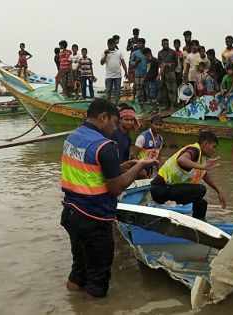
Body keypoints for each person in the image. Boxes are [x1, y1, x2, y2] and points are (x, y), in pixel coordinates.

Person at [61, 98, 157, 298]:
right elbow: (116, 187)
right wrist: (139, 166)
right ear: (103, 117)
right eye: (114, 122)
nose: (115, 128)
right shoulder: (105, 146)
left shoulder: (73, 137)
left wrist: (120, 167)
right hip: (94, 220)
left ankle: (73, 305)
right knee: (97, 280)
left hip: (71, 213)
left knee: (78, 271)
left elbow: (89, 171)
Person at [150, 131, 226, 220]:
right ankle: (172, 204)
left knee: (202, 203)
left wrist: (218, 191)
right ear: (205, 144)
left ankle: (197, 224)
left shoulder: (201, 157)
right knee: (201, 190)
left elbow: (204, 174)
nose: (214, 150)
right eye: (214, 147)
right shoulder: (195, 150)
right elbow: (181, 160)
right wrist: (202, 166)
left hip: (169, 189)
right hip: (160, 189)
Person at [100, 38, 128, 105]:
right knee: (108, 90)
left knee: (117, 91)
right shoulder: (104, 53)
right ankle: (107, 104)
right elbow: (101, 63)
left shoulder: (119, 52)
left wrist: (126, 72)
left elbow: (123, 62)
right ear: (107, 44)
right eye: (109, 45)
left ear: (114, 44)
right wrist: (106, 54)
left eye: (112, 45)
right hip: (109, 75)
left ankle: (116, 104)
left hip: (118, 75)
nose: (110, 46)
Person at [157, 38, 178, 111]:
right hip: (163, 73)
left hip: (171, 72)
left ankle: (173, 105)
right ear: (162, 44)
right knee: (164, 89)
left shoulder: (173, 52)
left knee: (172, 89)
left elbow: (176, 62)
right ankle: (166, 105)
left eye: (167, 44)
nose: (166, 45)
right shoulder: (159, 53)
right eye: (164, 44)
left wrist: (170, 66)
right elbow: (159, 63)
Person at [130, 39, 147, 110]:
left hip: (147, 74)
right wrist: (136, 62)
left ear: (143, 44)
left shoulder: (147, 51)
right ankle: (141, 107)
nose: (138, 45)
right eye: (137, 43)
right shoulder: (135, 53)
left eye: (140, 43)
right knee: (139, 91)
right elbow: (131, 63)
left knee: (148, 90)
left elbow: (151, 60)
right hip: (138, 74)